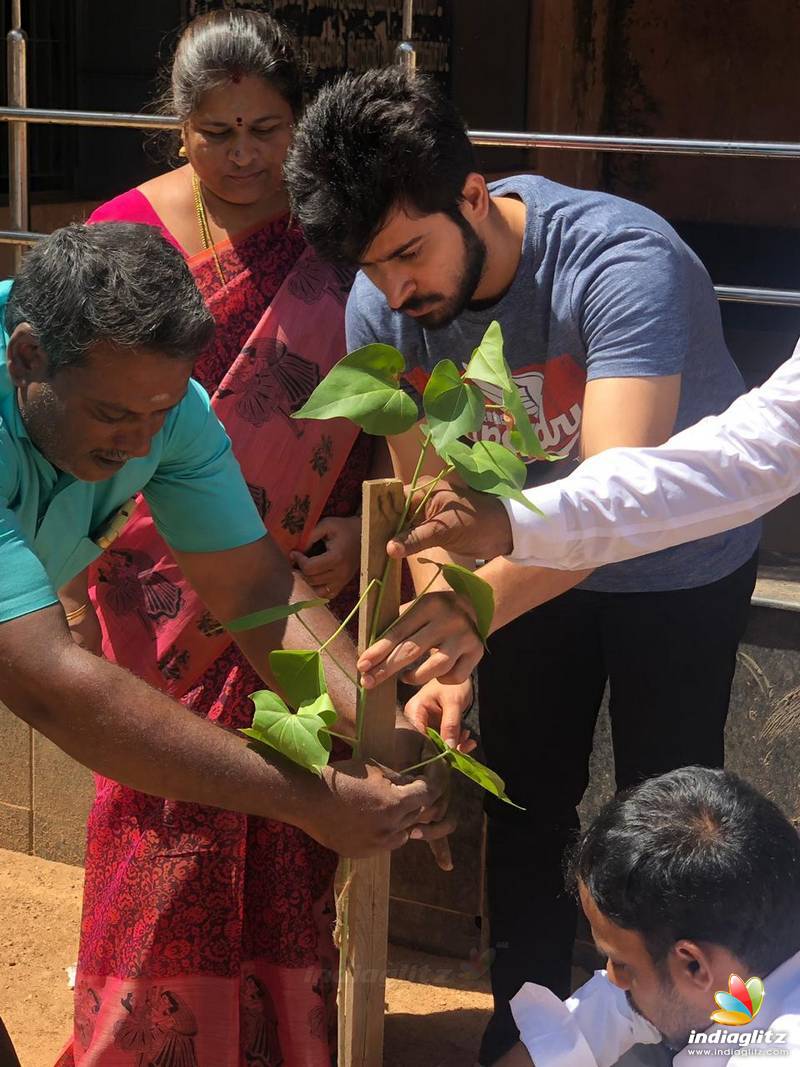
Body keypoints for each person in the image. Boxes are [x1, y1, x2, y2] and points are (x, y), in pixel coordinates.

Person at [285, 67, 762, 1062]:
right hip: (513, 578)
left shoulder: (619, 261)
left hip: (669, 559)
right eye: (371, 269)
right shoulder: (388, 307)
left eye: (409, 253)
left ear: (472, 194)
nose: (396, 290)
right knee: (523, 797)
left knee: (673, 810)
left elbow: (617, 503)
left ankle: (703, 1040)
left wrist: (467, 618)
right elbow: (432, 508)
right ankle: (525, 1028)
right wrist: (441, 650)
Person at [54, 14, 423, 1065]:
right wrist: (77, 589)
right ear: (177, 131)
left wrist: (357, 530)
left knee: (290, 817)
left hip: (292, 581)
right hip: (147, 600)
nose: (246, 154)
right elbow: (87, 412)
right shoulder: (122, 231)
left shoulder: (333, 236)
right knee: (156, 821)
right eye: (216, 131)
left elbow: (374, 405)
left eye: (266, 126)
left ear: (298, 122)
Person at [0, 223, 448, 1064]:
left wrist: (395, 743)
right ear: (27, 358)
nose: (139, 443)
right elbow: (52, 684)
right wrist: (312, 799)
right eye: (111, 414)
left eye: (158, 414)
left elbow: (255, 589)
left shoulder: (162, 410)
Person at [384, 339, 800, 577]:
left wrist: (509, 527)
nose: (398, 289)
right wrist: (511, 524)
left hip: (683, 574)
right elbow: (770, 438)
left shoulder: (618, 256)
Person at [495, 766, 800, 1066]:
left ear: (694, 964)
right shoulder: (739, 959)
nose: (613, 978)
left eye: (622, 964)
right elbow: (599, 1017)